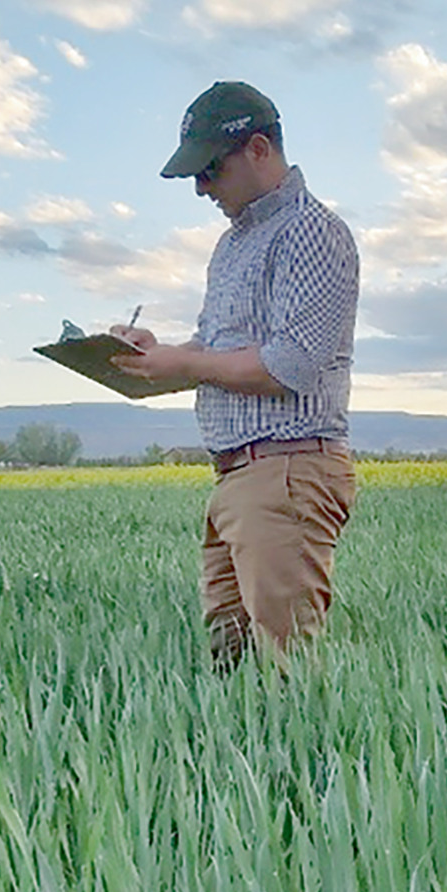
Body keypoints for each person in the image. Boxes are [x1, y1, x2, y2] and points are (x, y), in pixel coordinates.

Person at [111, 80, 359, 668]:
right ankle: (237, 761)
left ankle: (306, 761)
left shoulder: (310, 230)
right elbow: (216, 350)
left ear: (256, 149)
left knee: (288, 666)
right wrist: (158, 354)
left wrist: (189, 362)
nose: (200, 188)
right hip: (238, 475)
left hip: (286, 469)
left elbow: (293, 362)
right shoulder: (233, 246)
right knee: (230, 661)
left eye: (209, 170)